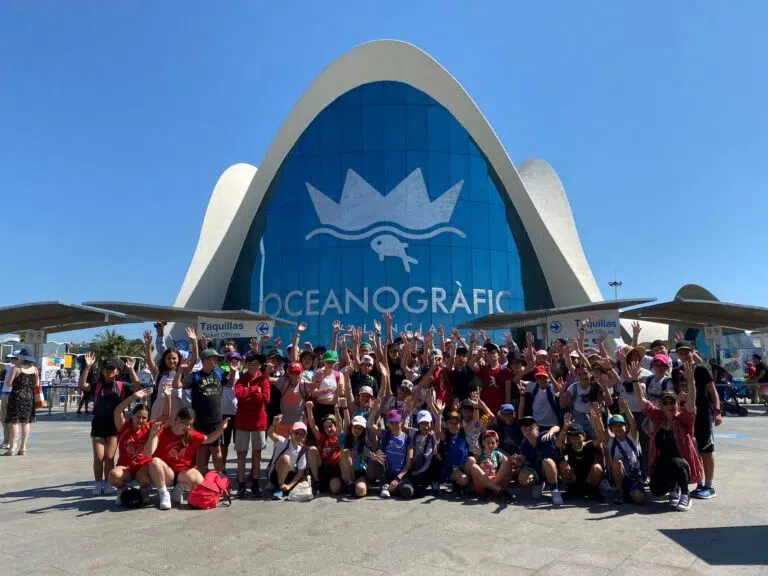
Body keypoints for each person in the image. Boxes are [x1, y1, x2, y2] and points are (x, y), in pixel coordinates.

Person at [628, 360, 703, 511]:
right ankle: (673, 485)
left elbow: (691, 401)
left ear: (677, 404)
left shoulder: (684, 419)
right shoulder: (658, 418)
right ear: (661, 405)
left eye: (672, 402)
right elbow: (642, 402)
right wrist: (635, 381)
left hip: (682, 464)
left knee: (676, 463)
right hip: (662, 463)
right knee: (656, 491)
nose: (669, 405)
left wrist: (690, 381)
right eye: (666, 402)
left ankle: (685, 494)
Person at [143, 408, 228, 510]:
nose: (188, 427)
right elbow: (147, 454)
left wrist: (221, 428)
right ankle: (163, 493)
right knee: (155, 461)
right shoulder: (162, 432)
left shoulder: (190, 434)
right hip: (167, 473)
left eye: (190, 424)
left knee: (199, 482)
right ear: (178, 419)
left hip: (183, 472)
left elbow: (209, 439)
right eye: (187, 424)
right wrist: (153, 435)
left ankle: (180, 487)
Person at [79, 353, 140, 495]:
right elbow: (82, 385)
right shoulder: (97, 386)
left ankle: (108, 482)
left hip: (115, 426)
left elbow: (137, 387)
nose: (110, 371)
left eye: (113, 369)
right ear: (102, 371)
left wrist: (131, 370)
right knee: (98, 457)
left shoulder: (122, 386)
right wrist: (87, 367)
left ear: (117, 371)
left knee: (109, 457)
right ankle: (97, 483)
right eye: (107, 368)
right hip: (98, 425)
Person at [675, 341, 720, 499]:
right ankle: (699, 483)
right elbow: (676, 393)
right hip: (687, 416)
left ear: (692, 352)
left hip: (703, 415)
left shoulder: (701, 369)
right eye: (681, 352)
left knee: (706, 450)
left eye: (687, 352)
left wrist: (717, 411)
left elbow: (713, 391)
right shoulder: (677, 371)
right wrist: (678, 398)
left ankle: (710, 485)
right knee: (694, 450)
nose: (684, 355)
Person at [108, 387, 167, 503]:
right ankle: (123, 491)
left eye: (144, 418)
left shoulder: (150, 427)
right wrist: (134, 397)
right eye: (138, 417)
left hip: (143, 467)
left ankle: (144, 490)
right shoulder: (124, 427)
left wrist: (168, 396)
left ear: (148, 419)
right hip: (126, 467)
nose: (140, 420)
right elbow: (117, 410)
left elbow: (165, 415)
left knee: (145, 478)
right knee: (113, 476)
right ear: (132, 416)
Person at [175, 348, 225, 472]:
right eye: (215, 359)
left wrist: (234, 372)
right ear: (206, 360)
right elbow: (176, 385)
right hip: (200, 420)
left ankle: (220, 478)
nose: (217, 361)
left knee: (217, 450)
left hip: (216, 419)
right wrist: (180, 370)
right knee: (201, 449)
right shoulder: (195, 376)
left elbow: (229, 384)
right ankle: (200, 478)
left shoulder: (218, 374)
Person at [234, 352, 272, 498]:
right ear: (246, 365)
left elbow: (266, 398)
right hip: (242, 421)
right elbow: (239, 395)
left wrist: (247, 394)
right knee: (241, 454)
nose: (253, 366)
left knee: (257, 454)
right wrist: (255, 390)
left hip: (258, 421)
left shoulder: (264, 380)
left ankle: (255, 483)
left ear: (259, 365)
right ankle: (241, 484)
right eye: (250, 364)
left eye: (256, 364)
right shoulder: (241, 379)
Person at [594, 400, 645, 505]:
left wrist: (626, 409)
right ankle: (620, 491)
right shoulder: (610, 442)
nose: (617, 428)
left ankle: (627, 492)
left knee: (639, 499)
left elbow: (633, 423)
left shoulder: (632, 438)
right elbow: (602, 430)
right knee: (617, 463)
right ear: (611, 429)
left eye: (620, 425)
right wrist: (598, 417)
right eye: (614, 426)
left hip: (633, 476)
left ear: (626, 427)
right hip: (617, 475)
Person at [367, 402, 414, 499]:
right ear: (389, 424)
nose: (394, 425)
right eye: (392, 423)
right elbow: (370, 425)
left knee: (408, 491)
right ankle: (384, 485)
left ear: (401, 422)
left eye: (397, 422)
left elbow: (408, 465)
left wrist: (397, 479)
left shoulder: (408, 439)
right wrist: (374, 411)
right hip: (387, 474)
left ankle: (390, 489)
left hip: (400, 475)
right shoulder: (385, 434)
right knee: (378, 453)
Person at [555, 413, 603, 501]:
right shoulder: (569, 447)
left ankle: (593, 491)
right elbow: (558, 443)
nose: (574, 437)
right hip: (575, 479)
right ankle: (572, 489)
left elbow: (600, 438)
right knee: (563, 465)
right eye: (571, 435)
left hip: (589, 480)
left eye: (577, 435)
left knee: (597, 468)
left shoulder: (589, 445)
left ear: (584, 436)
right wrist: (565, 428)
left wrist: (594, 425)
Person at [517, 416, 562, 505]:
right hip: (536, 470)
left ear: (537, 429)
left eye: (530, 428)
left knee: (547, 461)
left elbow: (557, 427)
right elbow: (523, 459)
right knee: (522, 478)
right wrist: (518, 460)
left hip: (552, 469)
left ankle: (554, 489)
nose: (527, 432)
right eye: (524, 429)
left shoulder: (545, 435)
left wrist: (551, 432)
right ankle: (539, 483)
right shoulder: (524, 443)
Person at [2, 350, 39, 456]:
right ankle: (23, 447)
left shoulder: (16, 369)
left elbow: (8, 384)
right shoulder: (35, 369)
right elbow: (36, 384)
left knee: (14, 422)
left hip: (16, 396)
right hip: (29, 397)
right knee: (26, 422)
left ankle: (12, 448)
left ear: (22, 358)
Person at [305, 400, 344, 495]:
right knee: (312, 449)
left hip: (336, 470)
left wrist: (336, 410)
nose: (328, 429)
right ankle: (316, 481)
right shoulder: (322, 438)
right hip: (324, 468)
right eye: (326, 427)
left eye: (330, 426)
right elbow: (313, 426)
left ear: (335, 426)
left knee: (335, 489)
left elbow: (340, 423)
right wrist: (309, 409)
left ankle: (342, 484)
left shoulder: (340, 436)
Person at [266, 416, 309, 500]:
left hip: (290, 477)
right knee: (286, 458)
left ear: (304, 437)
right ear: (291, 432)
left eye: (301, 434)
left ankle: (282, 487)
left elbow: (301, 471)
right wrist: (274, 425)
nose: (298, 436)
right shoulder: (283, 441)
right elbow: (270, 434)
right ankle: (280, 487)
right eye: (296, 433)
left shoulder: (302, 450)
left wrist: (290, 485)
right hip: (275, 475)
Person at [436, 409, 475, 495]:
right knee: (463, 479)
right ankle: (459, 483)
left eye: (456, 423)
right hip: (450, 469)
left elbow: (475, 420)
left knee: (472, 460)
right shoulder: (445, 436)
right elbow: (438, 431)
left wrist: (476, 406)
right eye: (451, 423)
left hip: (462, 467)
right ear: (447, 424)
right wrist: (439, 414)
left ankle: (464, 484)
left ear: (460, 424)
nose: (453, 425)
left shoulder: (462, 433)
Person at [471, 429, 519, 498]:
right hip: (483, 482)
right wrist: (479, 428)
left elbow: (508, 464)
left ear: (496, 444)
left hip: (495, 479)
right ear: (483, 443)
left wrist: (514, 460)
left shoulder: (498, 454)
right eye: (488, 442)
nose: (490, 445)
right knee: (474, 466)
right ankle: (497, 489)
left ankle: (492, 487)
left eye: (493, 443)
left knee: (508, 461)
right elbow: (473, 443)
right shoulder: (479, 452)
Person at [520, 365, 562, 431]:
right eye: (539, 377)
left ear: (548, 378)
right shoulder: (533, 386)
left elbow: (558, 390)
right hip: (536, 423)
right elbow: (517, 381)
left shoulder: (551, 387)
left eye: (544, 376)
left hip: (551, 424)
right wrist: (527, 369)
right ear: (536, 379)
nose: (542, 379)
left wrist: (549, 374)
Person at [220, 351, 242, 471]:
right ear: (227, 363)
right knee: (224, 443)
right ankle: (222, 467)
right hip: (225, 414)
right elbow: (228, 384)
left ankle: (240, 468)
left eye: (236, 360)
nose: (234, 362)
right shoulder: (223, 375)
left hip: (239, 414)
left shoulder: (243, 375)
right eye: (231, 360)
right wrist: (232, 372)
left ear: (240, 362)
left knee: (239, 443)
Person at [340, 414, 371, 498]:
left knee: (361, 490)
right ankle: (350, 484)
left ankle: (353, 487)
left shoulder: (365, 441)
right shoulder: (344, 437)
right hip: (347, 472)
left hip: (360, 471)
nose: (357, 430)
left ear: (363, 430)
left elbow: (368, 452)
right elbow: (340, 422)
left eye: (360, 428)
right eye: (355, 427)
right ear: (351, 426)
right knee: (345, 451)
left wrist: (373, 456)